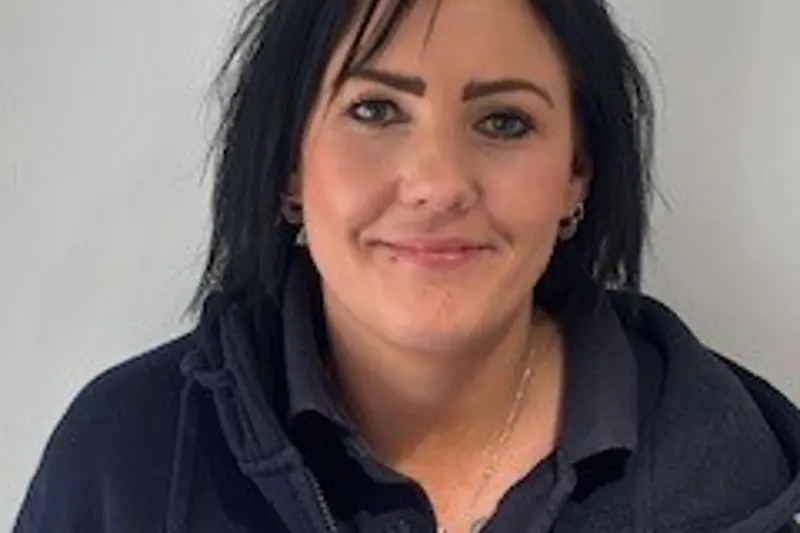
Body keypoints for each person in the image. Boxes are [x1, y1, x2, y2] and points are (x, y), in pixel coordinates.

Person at [13, 0, 800, 531]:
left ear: (576, 176)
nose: (438, 183)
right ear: (289, 166)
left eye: (504, 121)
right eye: (375, 109)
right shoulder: (126, 458)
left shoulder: (736, 475)